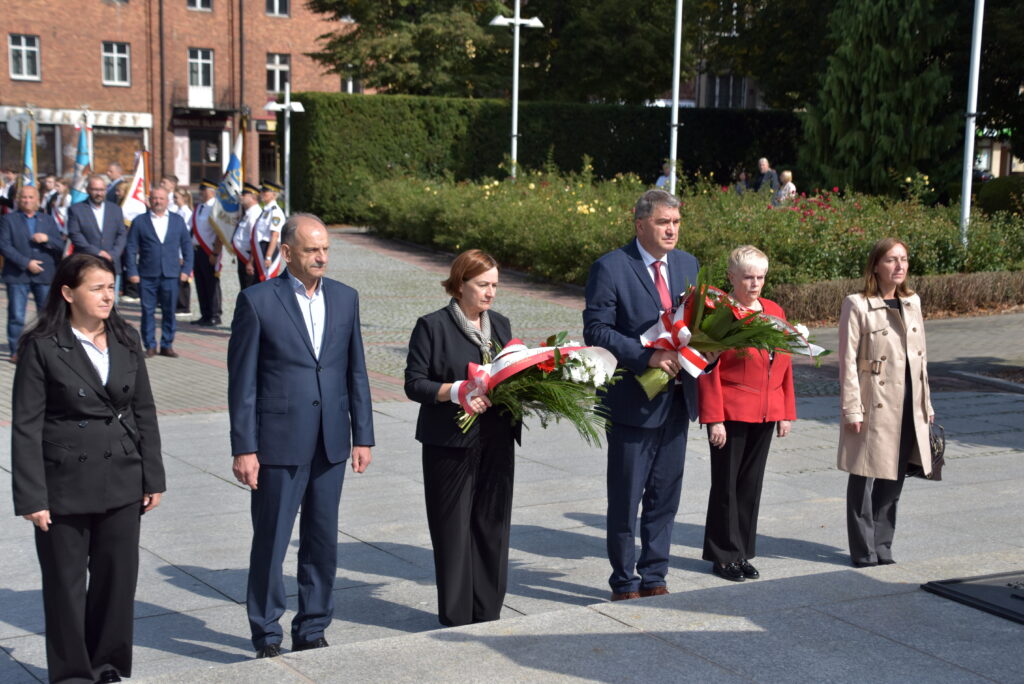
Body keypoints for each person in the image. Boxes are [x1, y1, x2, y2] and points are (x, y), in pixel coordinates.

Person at [11, 253, 165, 684]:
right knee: (65, 588)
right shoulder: (42, 346)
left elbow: (144, 412)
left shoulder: (127, 338)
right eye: (96, 288)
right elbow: (25, 426)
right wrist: (32, 497)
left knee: (117, 583)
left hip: (122, 475)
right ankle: (73, 674)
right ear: (68, 293)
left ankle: (108, 664)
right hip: (63, 485)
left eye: (111, 287)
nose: (107, 296)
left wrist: (153, 476)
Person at [228, 213, 374, 658]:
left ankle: (313, 625)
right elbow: (243, 381)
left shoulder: (346, 299)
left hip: (331, 440)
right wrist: (244, 447)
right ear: (287, 253)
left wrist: (362, 436)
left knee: (322, 539)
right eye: (312, 250)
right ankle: (266, 632)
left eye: (326, 249)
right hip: (277, 443)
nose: (321, 257)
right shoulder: (257, 301)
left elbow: (356, 371)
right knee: (271, 540)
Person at [583, 189, 708, 601]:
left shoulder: (688, 264)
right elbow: (597, 330)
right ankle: (624, 581)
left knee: (665, 493)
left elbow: (698, 320)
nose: (671, 229)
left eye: (675, 222)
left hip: (676, 399)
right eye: (662, 222)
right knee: (626, 495)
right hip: (633, 401)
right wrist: (645, 357)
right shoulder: (611, 267)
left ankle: (655, 575)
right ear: (640, 225)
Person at [404, 249, 519, 627]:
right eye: (483, 284)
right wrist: (456, 391)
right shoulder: (432, 326)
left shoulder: (500, 325)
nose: (490, 293)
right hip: (449, 444)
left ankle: (488, 612)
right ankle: (456, 616)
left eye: (495, 285)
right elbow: (414, 383)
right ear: (460, 284)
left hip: (497, 441)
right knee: (453, 532)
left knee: (492, 527)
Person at [699, 246, 795, 582]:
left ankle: (741, 552)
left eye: (760, 277)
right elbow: (707, 369)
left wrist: (785, 412)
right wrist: (714, 418)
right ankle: (722, 555)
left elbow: (783, 363)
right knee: (725, 485)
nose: (754, 284)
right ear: (732, 277)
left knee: (750, 486)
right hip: (731, 411)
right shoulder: (720, 313)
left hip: (766, 411)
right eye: (747, 278)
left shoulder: (773, 310)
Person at [838, 237, 934, 567]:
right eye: (892, 260)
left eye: (904, 259)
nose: (899, 266)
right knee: (863, 475)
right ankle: (863, 550)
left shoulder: (912, 302)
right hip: (873, 400)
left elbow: (921, 360)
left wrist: (927, 406)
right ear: (876, 265)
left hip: (908, 401)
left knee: (895, 475)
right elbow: (847, 360)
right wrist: (852, 407)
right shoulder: (857, 304)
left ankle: (883, 544)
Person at [125, 186, 193, 358]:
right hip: (147, 274)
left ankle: (167, 344)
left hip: (171, 274)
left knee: (169, 311)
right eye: (155, 198)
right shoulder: (140, 221)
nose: (158, 202)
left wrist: (186, 270)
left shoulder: (177, 221)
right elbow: (131, 248)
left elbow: (187, 247)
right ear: (149, 200)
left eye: (161, 198)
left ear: (167, 200)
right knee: (147, 311)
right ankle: (149, 345)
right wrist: (132, 271)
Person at [0, 185, 66, 362]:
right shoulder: (9, 220)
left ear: (37, 200)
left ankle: (47, 349)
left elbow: (60, 245)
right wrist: (26, 263)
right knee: (16, 315)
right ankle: (16, 350)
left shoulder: (47, 220)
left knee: (46, 315)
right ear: (18, 199)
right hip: (18, 275)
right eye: (24, 197)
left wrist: (47, 239)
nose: (27, 200)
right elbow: (4, 246)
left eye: (30, 197)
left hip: (44, 274)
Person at [67, 174, 128, 299]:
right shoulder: (76, 210)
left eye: (101, 190)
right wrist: (97, 252)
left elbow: (121, 234)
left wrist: (113, 254)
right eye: (95, 190)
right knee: (89, 302)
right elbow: (75, 234)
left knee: (110, 304)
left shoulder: (115, 209)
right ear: (88, 190)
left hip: (111, 264)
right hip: (87, 262)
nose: (98, 193)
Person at [190, 179, 223, 326]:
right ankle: (205, 314)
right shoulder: (199, 207)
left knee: (211, 283)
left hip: (209, 251)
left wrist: (215, 253)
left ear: (211, 191)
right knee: (200, 283)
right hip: (197, 250)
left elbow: (219, 234)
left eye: (203, 190)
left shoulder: (216, 208)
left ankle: (215, 314)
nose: (200, 193)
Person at [251, 180, 285, 280]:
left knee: (266, 278)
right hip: (260, 247)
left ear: (273, 194)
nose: (262, 193)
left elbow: (275, 235)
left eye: (265, 191)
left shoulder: (275, 212)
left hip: (268, 248)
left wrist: (269, 256)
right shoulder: (266, 210)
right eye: (262, 191)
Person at [232, 182, 261, 290]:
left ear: (253, 196)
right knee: (244, 289)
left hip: (249, 258)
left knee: (249, 290)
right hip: (243, 257)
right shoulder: (247, 213)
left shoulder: (255, 214)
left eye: (244, 194)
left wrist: (251, 261)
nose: (241, 197)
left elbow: (255, 240)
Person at [172, 188, 194, 317]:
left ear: (184, 198)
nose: (174, 200)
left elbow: (185, 237)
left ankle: (184, 306)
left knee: (183, 280)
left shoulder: (187, 213)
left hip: (181, 251)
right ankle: (177, 304)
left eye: (177, 197)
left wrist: (181, 255)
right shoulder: (177, 211)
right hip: (175, 250)